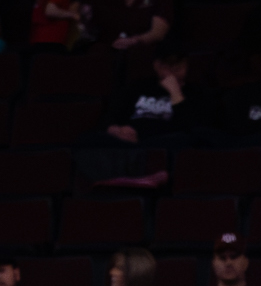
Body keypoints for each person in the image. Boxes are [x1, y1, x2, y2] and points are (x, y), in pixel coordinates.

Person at [79, 49, 209, 187]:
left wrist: (175, 93)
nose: (171, 73)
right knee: (87, 140)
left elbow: (191, 126)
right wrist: (115, 130)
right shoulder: (137, 87)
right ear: (157, 65)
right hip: (129, 140)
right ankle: (123, 178)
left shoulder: (195, 92)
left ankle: (139, 177)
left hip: (162, 141)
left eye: (178, 68)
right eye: (167, 67)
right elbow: (110, 117)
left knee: (186, 141)